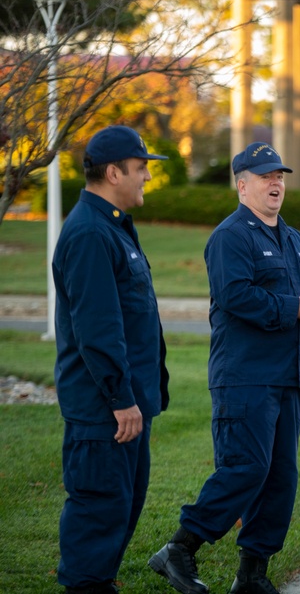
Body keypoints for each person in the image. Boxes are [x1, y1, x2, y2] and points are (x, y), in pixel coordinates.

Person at [149, 142, 300, 594]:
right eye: (266, 175)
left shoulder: (294, 239)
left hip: (290, 376)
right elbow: (236, 297)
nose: (276, 183)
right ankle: (179, 548)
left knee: (280, 477)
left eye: (281, 176)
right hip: (245, 376)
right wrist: (297, 308)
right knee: (246, 467)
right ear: (242, 184)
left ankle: (251, 575)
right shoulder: (230, 236)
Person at [52, 125, 171, 594]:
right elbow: (98, 329)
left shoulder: (114, 224)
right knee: (99, 510)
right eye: (141, 168)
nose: (146, 176)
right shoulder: (88, 234)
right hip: (105, 411)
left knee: (122, 506)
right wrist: (121, 398)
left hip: (127, 408)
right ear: (113, 171)